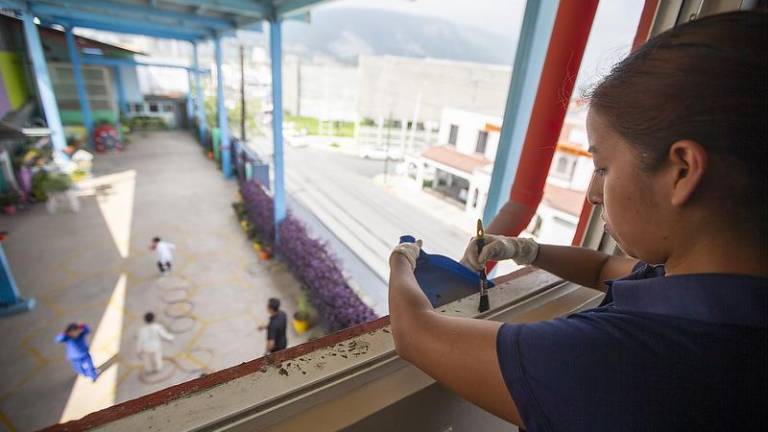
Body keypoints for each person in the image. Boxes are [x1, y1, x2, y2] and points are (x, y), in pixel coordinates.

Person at [388, 11, 766, 431]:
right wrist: (525, 249)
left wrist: (402, 261)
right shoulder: (716, 294)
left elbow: (414, 333)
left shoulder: (610, 358)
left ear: (681, 171)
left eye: (602, 167)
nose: (592, 193)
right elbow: (604, 267)